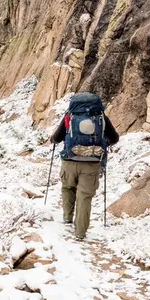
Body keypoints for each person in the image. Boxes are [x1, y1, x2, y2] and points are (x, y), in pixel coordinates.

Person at [50, 93, 119, 240]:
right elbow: (115, 138)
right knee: (85, 197)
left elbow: (56, 137)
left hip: (69, 160)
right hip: (92, 163)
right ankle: (80, 233)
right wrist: (101, 145)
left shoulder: (70, 116)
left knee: (68, 187)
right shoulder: (101, 118)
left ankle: (67, 218)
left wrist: (54, 139)